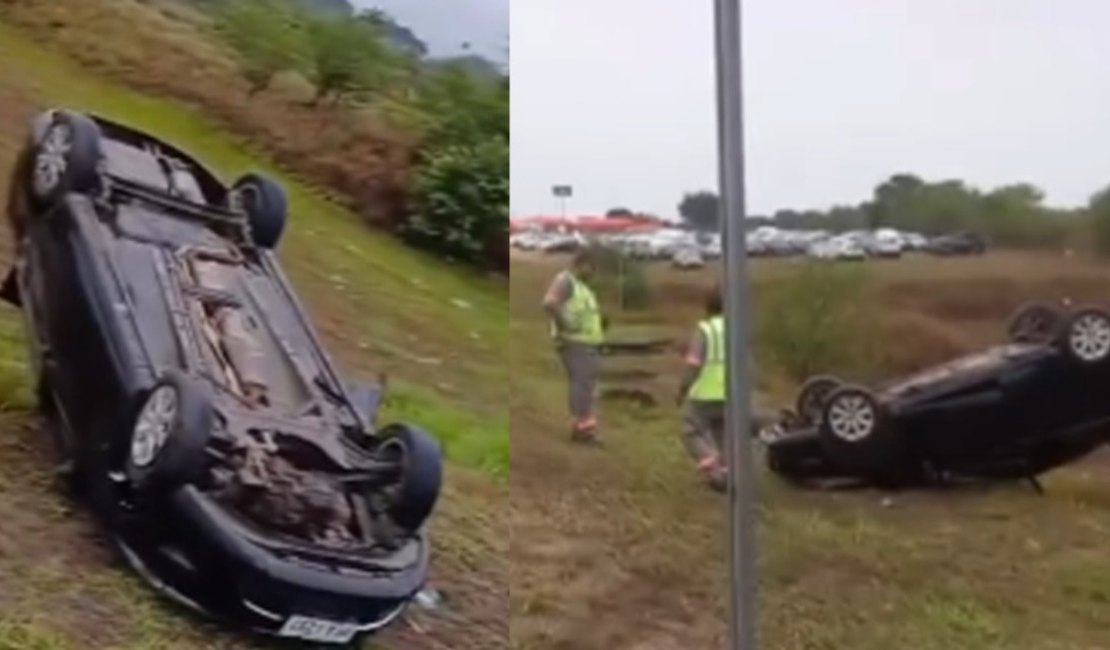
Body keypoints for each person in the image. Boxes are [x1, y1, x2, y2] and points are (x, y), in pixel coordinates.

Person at [543, 248, 606, 445]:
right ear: (581, 264)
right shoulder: (566, 281)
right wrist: (564, 323)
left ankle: (583, 427)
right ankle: (582, 428)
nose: (593, 272)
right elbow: (549, 303)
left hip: (587, 343)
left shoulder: (583, 288)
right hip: (575, 343)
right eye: (591, 267)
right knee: (582, 384)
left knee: (587, 385)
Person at [676, 285, 729, 491]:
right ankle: (727, 473)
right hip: (729, 394)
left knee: (690, 431)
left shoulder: (705, 330)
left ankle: (712, 469)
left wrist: (682, 390)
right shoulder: (735, 328)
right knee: (722, 434)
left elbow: (693, 364)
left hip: (705, 392)